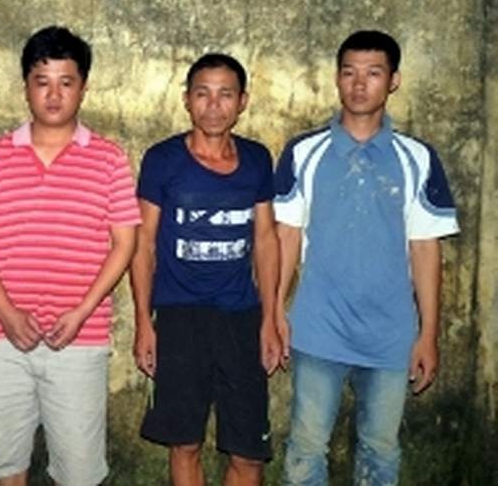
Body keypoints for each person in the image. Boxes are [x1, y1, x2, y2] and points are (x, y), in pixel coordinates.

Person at [274, 30, 459, 485]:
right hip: (318, 328)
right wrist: (274, 313)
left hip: (391, 334)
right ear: (337, 78)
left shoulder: (417, 158)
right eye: (349, 72)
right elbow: (286, 237)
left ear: (393, 81)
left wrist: (428, 334)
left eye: (373, 73)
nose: (359, 84)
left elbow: (425, 248)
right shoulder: (304, 152)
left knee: (380, 450)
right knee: (305, 449)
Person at [0, 25, 140, 486]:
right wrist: (7, 313)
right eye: (42, 82)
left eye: (66, 82)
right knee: (6, 463)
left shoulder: (109, 159)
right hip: (3, 337)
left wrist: (81, 312)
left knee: (78, 470)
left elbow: (124, 243)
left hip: (80, 337)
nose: (54, 95)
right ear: (26, 87)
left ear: (83, 87)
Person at [131, 53, 281, 486]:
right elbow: (143, 243)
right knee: (185, 444)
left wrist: (271, 318)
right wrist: (143, 322)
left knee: (249, 452)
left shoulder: (257, 159)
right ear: (186, 100)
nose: (213, 105)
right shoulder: (162, 159)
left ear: (243, 101)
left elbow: (266, 239)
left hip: (241, 316)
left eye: (225, 94)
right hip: (180, 317)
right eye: (203, 94)